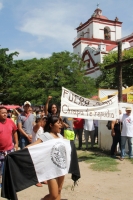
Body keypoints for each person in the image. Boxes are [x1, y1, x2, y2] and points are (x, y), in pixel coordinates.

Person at [26, 116, 64, 200]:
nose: (60, 125)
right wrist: (20, 152)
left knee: (59, 190)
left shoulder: (60, 136)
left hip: (61, 169)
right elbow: (34, 145)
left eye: (60, 123)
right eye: (58, 123)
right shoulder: (46, 136)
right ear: (51, 125)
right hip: (50, 169)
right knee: (53, 195)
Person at [0, 106, 18, 188]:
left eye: (5, 113)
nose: (4, 114)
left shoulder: (10, 122)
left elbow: (14, 132)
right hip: (0, 151)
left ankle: (7, 183)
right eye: (2, 113)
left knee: (9, 167)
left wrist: (16, 143)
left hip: (9, 149)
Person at [32, 115, 47, 187]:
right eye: (44, 121)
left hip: (42, 148)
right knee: (36, 165)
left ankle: (42, 178)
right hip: (35, 149)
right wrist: (41, 118)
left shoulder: (43, 129)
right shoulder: (36, 127)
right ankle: (36, 180)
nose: (45, 122)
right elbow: (36, 126)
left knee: (42, 164)